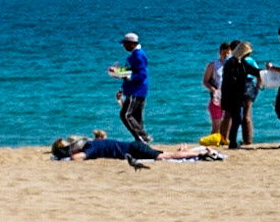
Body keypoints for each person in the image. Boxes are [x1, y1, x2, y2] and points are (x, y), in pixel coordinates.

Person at [111, 32, 151, 142]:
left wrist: (125, 75)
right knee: (136, 118)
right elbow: (132, 71)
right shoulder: (134, 55)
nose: (124, 46)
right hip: (135, 90)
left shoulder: (138, 55)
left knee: (126, 115)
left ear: (131, 43)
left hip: (137, 91)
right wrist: (119, 73)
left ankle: (143, 137)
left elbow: (141, 74)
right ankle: (141, 141)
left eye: (125, 44)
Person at [50, 136, 218, 161]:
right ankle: (184, 150)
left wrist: (72, 155)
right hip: (133, 146)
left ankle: (202, 152)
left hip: (134, 149)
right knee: (163, 154)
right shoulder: (92, 144)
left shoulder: (91, 147)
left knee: (164, 156)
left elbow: (77, 158)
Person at [220, 41, 257, 149]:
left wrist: (266, 73)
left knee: (238, 118)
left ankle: (233, 142)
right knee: (237, 118)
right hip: (231, 94)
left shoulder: (242, 62)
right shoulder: (230, 63)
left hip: (238, 94)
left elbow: (253, 71)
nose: (248, 56)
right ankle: (232, 142)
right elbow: (230, 79)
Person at [203, 42, 232, 135]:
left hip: (229, 97)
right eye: (224, 53)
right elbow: (205, 81)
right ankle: (213, 142)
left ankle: (225, 141)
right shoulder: (213, 65)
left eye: (228, 53)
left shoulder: (232, 65)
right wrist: (213, 90)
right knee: (216, 125)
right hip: (216, 98)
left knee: (228, 123)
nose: (226, 55)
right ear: (220, 52)